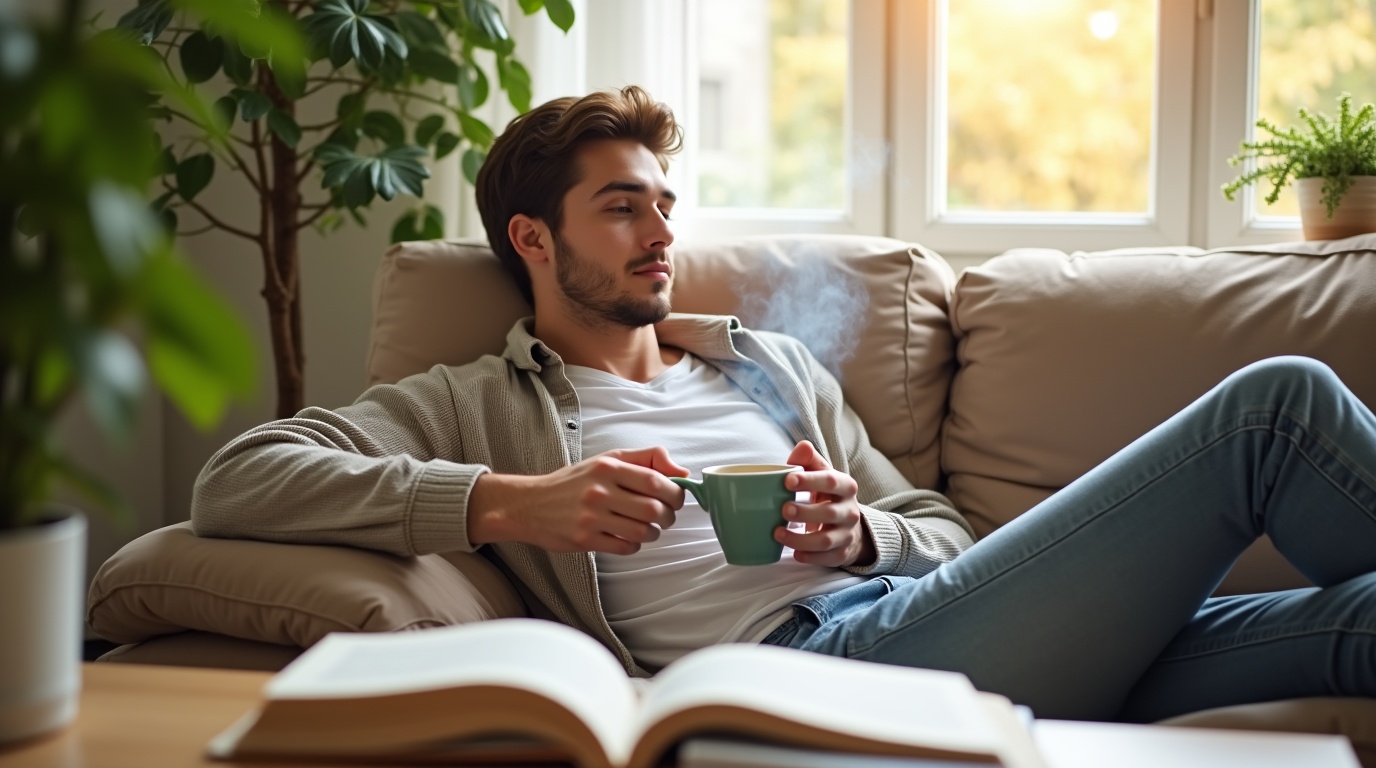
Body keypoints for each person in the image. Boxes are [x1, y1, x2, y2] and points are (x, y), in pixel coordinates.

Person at [192, 85, 1376, 724]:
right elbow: (236, 480)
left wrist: (861, 534)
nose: (661, 232)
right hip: (801, 672)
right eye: (621, 207)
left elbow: (944, 530)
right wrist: (511, 504)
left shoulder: (764, 365)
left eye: (664, 204)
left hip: (912, 619)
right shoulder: (471, 402)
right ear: (533, 239)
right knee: (1270, 410)